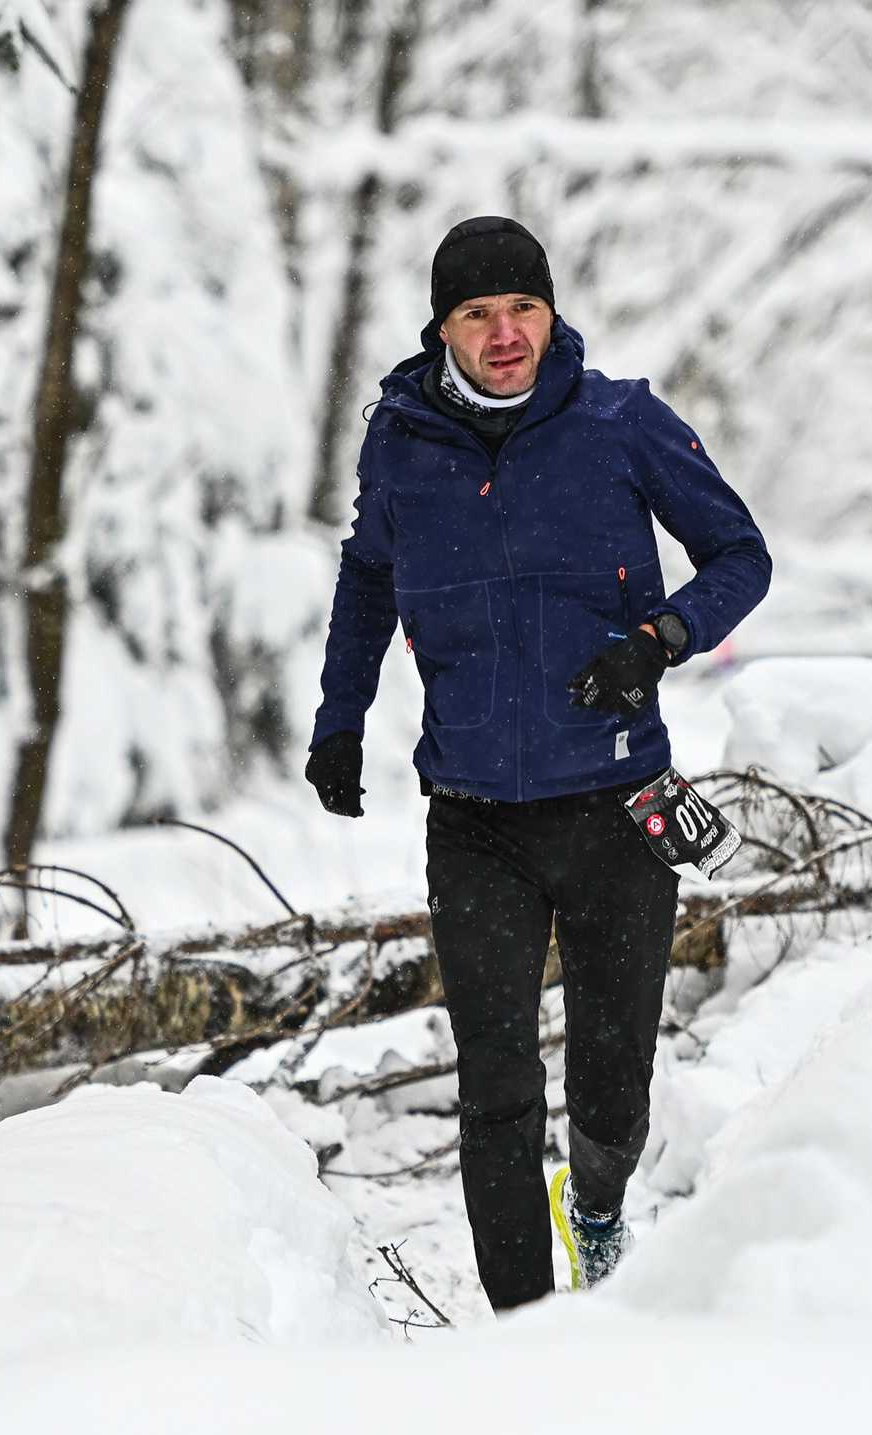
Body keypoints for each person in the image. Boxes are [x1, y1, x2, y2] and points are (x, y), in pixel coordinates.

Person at [305, 215, 771, 1309]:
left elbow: (739, 555)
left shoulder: (620, 423)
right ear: (443, 329)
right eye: (477, 313)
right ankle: (519, 1331)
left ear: (552, 315)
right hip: (477, 820)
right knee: (497, 1086)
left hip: (618, 805)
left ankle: (597, 1207)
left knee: (610, 1082)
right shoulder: (401, 442)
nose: (504, 332)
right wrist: (340, 718)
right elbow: (368, 578)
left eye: (523, 307)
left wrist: (659, 639)